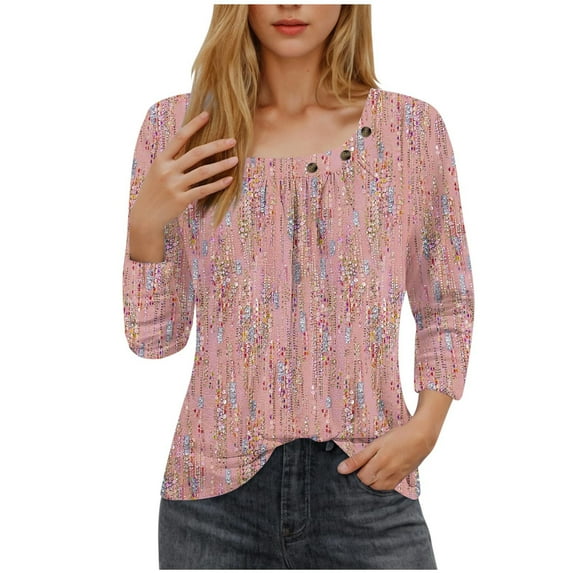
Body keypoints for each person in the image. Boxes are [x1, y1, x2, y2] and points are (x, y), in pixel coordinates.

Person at [123, 4, 474, 569]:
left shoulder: (410, 131)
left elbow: (447, 302)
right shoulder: (179, 129)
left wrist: (427, 427)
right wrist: (145, 226)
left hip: (370, 484)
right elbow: (154, 339)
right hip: (212, 499)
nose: (290, 4)